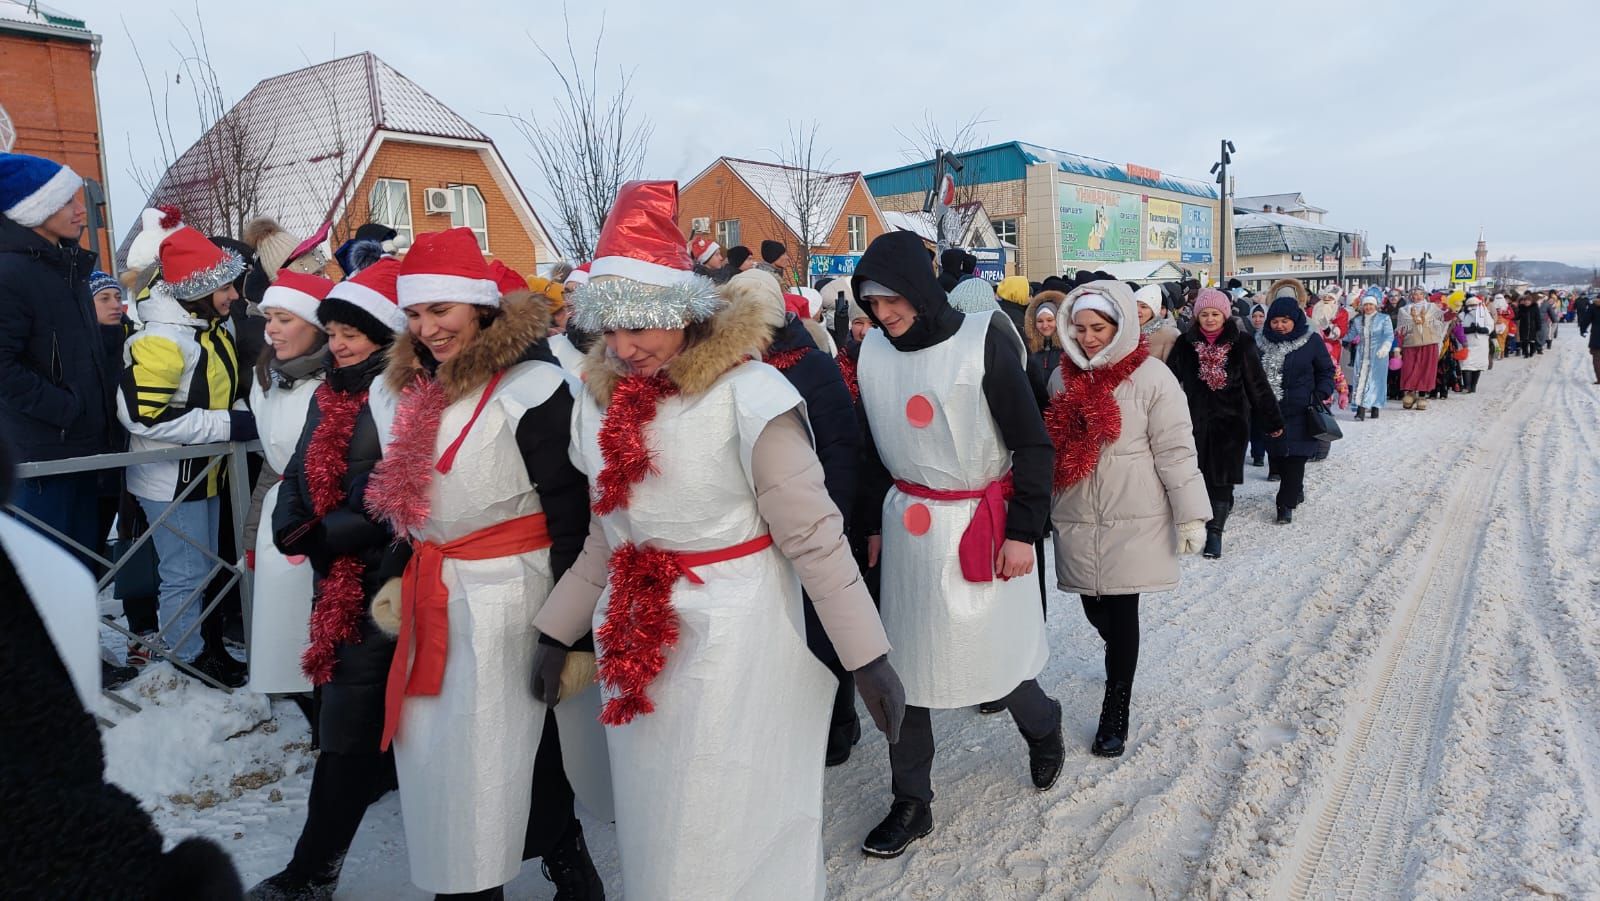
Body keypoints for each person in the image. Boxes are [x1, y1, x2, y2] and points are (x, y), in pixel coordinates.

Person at [530, 181, 902, 897]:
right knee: (659, 823)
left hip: (737, 640)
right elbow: (608, 540)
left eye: (642, 324)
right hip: (638, 637)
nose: (625, 345)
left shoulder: (748, 395)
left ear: (684, 310)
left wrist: (867, 655)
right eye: (611, 327)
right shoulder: (598, 404)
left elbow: (816, 537)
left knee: (728, 818)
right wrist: (557, 631)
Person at [361, 228, 601, 900]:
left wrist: (569, 631)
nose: (427, 328)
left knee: (510, 746)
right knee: (445, 757)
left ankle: (550, 861)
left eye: (442, 310)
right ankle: (468, 880)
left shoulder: (531, 387)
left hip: (509, 597)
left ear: (481, 307)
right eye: (414, 314)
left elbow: (570, 513)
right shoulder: (407, 389)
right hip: (435, 590)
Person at [848, 230, 1063, 858]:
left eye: (892, 300)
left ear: (919, 289)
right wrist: (868, 524)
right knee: (904, 671)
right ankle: (911, 801)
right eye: (871, 304)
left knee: (992, 656)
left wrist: (1024, 529)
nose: (883, 315)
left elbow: (1032, 443)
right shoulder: (874, 355)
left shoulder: (983, 342)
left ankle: (1042, 725)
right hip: (908, 526)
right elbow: (868, 453)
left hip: (979, 524)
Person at [0, 438, 246, 899]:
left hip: (132, 463)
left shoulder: (41, 570)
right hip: (133, 462)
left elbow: (57, 785)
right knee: (183, 572)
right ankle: (186, 657)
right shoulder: (39, 567)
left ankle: (192, 656)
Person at [247, 258, 406, 901]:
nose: (337, 344)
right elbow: (302, 473)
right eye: (332, 331)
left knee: (349, 728)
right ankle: (314, 871)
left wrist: (329, 532)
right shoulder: (330, 390)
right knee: (346, 722)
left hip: (389, 577)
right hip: (336, 572)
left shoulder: (407, 393)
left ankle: (310, 873)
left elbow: (396, 487)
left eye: (352, 334)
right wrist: (294, 526)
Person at [1046, 280, 1208, 761]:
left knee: (1120, 614)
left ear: (1121, 327)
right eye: (1080, 328)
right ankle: (1118, 659)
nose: (1089, 337)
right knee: (1093, 606)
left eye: (1098, 328)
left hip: (1134, 514)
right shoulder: (1061, 379)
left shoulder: (1154, 378)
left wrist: (1191, 517)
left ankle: (1116, 707)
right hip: (1076, 512)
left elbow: (1176, 450)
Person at [734, 267, 869, 767]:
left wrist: (833, 514)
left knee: (822, 622)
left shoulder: (811, 366)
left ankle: (839, 716)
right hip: (757, 523)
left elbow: (839, 443)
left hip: (815, 513)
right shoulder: (730, 367)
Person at [117, 208, 256, 680]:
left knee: (204, 569)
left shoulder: (207, 329)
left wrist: (237, 417)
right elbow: (144, 418)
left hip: (203, 472)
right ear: (196, 291)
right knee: (185, 573)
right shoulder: (163, 341)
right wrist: (228, 425)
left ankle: (200, 647)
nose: (234, 296)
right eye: (224, 287)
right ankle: (184, 658)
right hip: (169, 479)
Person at [0, 153, 118, 562]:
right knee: (44, 585)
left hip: (81, 449)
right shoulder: (10, 273)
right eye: (68, 200)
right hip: (39, 462)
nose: (80, 208)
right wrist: (68, 410)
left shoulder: (65, 267)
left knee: (80, 577)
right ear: (34, 205)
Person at [242, 272, 333, 695]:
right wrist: (254, 527)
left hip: (326, 520)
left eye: (283, 319)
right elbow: (272, 467)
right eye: (269, 319)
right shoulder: (266, 383)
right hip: (282, 518)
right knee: (287, 645)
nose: (271, 329)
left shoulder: (334, 387)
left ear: (316, 326)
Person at [1165, 289, 1282, 559]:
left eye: (1214, 314)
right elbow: (1168, 381)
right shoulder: (1185, 343)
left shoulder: (1242, 343)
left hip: (1231, 423)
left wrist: (1272, 419)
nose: (1209, 319)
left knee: (1222, 478)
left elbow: (1258, 385)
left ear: (1225, 315)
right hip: (1194, 421)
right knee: (1200, 476)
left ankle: (1215, 532)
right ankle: (1210, 511)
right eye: (1204, 314)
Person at [1256, 296, 1335, 524]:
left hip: (1303, 408)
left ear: (1296, 320)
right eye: (1275, 321)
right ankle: (1295, 489)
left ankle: (1285, 504)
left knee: (1296, 458)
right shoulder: (1259, 342)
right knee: (1279, 456)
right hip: (1271, 410)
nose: (1279, 326)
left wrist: (1320, 393)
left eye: (1285, 321)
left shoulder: (1311, 341)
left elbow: (1326, 371)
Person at [1346, 290, 1396, 420]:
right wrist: (1332, 333)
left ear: (1376, 305)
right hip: (1362, 355)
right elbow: (1350, 336)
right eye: (1366, 305)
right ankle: (1360, 410)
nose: (1368, 307)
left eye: (1371, 305)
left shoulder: (1384, 318)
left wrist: (1385, 348)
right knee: (1361, 380)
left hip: (1379, 355)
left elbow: (1389, 335)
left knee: (1376, 381)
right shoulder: (1357, 320)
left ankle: (1375, 407)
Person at [1395, 286, 1445, 408]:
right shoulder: (1404, 310)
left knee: (1425, 369)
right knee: (1410, 369)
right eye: (1414, 294)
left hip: (1429, 343)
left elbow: (1443, 319)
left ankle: (1422, 395)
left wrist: (1454, 309)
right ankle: (1410, 393)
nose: (1417, 297)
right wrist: (1397, 348)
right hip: (1411, 344)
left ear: (1424, 295)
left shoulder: (1432, 308)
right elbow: (1400, 331)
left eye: (1420, 294)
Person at [1134, 283, 1181, 361]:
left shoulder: (1169, 335)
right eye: (1134, 305)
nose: (1137, 310)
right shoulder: (1126, 332)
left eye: (1144, 307)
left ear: (1154, 310)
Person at [1458, 294, 1494, 393]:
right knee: (1466, 364)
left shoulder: (1485, 314)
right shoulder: (1462, 315)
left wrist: (1484, 329)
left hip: (1480, 343)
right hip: (1466, 343)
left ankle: (1473, 386)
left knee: (1477, 365)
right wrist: (1467, 329)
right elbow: (1457, 327)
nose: (1473, 307)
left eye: (1475, 305)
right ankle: (1467, 386)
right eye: (1471, 305)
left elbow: (1490, 325)